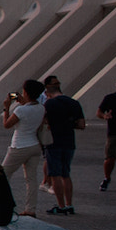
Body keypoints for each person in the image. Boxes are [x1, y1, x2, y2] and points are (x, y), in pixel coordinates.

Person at [0, 79, 45, 216]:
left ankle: (5, 206)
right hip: (34, 145)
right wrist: (24, 102)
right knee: (31, 179)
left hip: (19, 146)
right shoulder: (41, 108)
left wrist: (6, 107)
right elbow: (31, 111)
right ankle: (30, 209)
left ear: (25, 92)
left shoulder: (20, 110)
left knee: (3, 176)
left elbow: (7, 124)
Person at [41, 78, 84, 215]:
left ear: (47, 92)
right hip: (69, 141)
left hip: (53, 141)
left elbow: (43, 121)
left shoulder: (49, 104)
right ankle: (69, 204)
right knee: (66, 174)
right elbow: (81, 125)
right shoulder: (74, 103)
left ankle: (61, 206)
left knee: (55, 174)